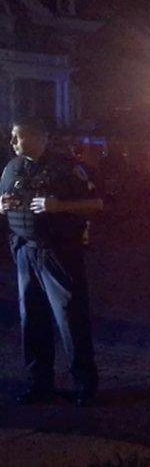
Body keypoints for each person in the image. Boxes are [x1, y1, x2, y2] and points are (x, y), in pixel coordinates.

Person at [0, 116, 103, 406]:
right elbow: (3, 200)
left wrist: (59, 206)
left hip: (59, 252)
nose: (13, 142)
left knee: (70, 319)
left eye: (19, 137)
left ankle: (85, 385)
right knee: (31, 320)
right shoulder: (12, 168)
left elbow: (96, 204)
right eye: (12, 136)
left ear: (41, 138)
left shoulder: (68, 168)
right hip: (24, 251)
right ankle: (39, 384)